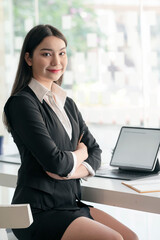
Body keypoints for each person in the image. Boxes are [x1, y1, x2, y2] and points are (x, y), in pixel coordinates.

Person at [3, 24, 139, 240]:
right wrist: (81, 153)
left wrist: (71, 171)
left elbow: (96, 151)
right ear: (28, 58)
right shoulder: (22, 103)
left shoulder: (67, 104)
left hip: (70, 204)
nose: (57, 62)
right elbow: (56, 162)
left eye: (62, 53)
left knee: (130, 237)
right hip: (38, 210)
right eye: (47, 54)